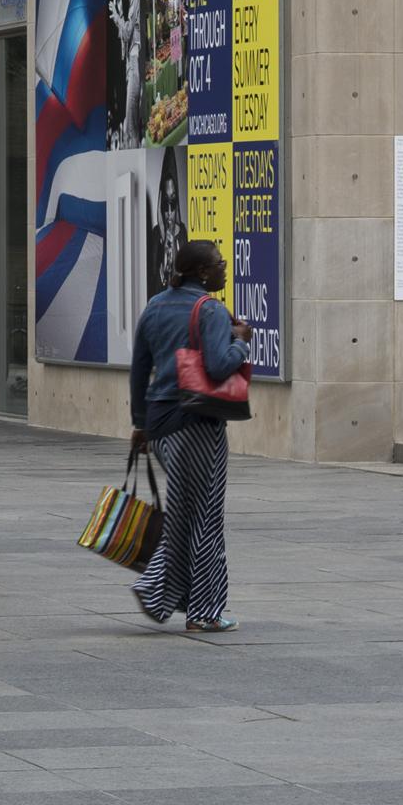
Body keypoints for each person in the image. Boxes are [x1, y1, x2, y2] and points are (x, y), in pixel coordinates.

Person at [127, 238, 249, 636]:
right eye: (219, 263)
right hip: (197, 423)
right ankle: (203, 610)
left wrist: (141, 424)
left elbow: (138, 369)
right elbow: (217, 367)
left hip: (162, 425)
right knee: (206, 517)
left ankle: (164, 594)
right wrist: (241, 342)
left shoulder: (155, 305)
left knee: (184, 514)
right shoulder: (210, 310)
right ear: (202, 271)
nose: (224, 269)